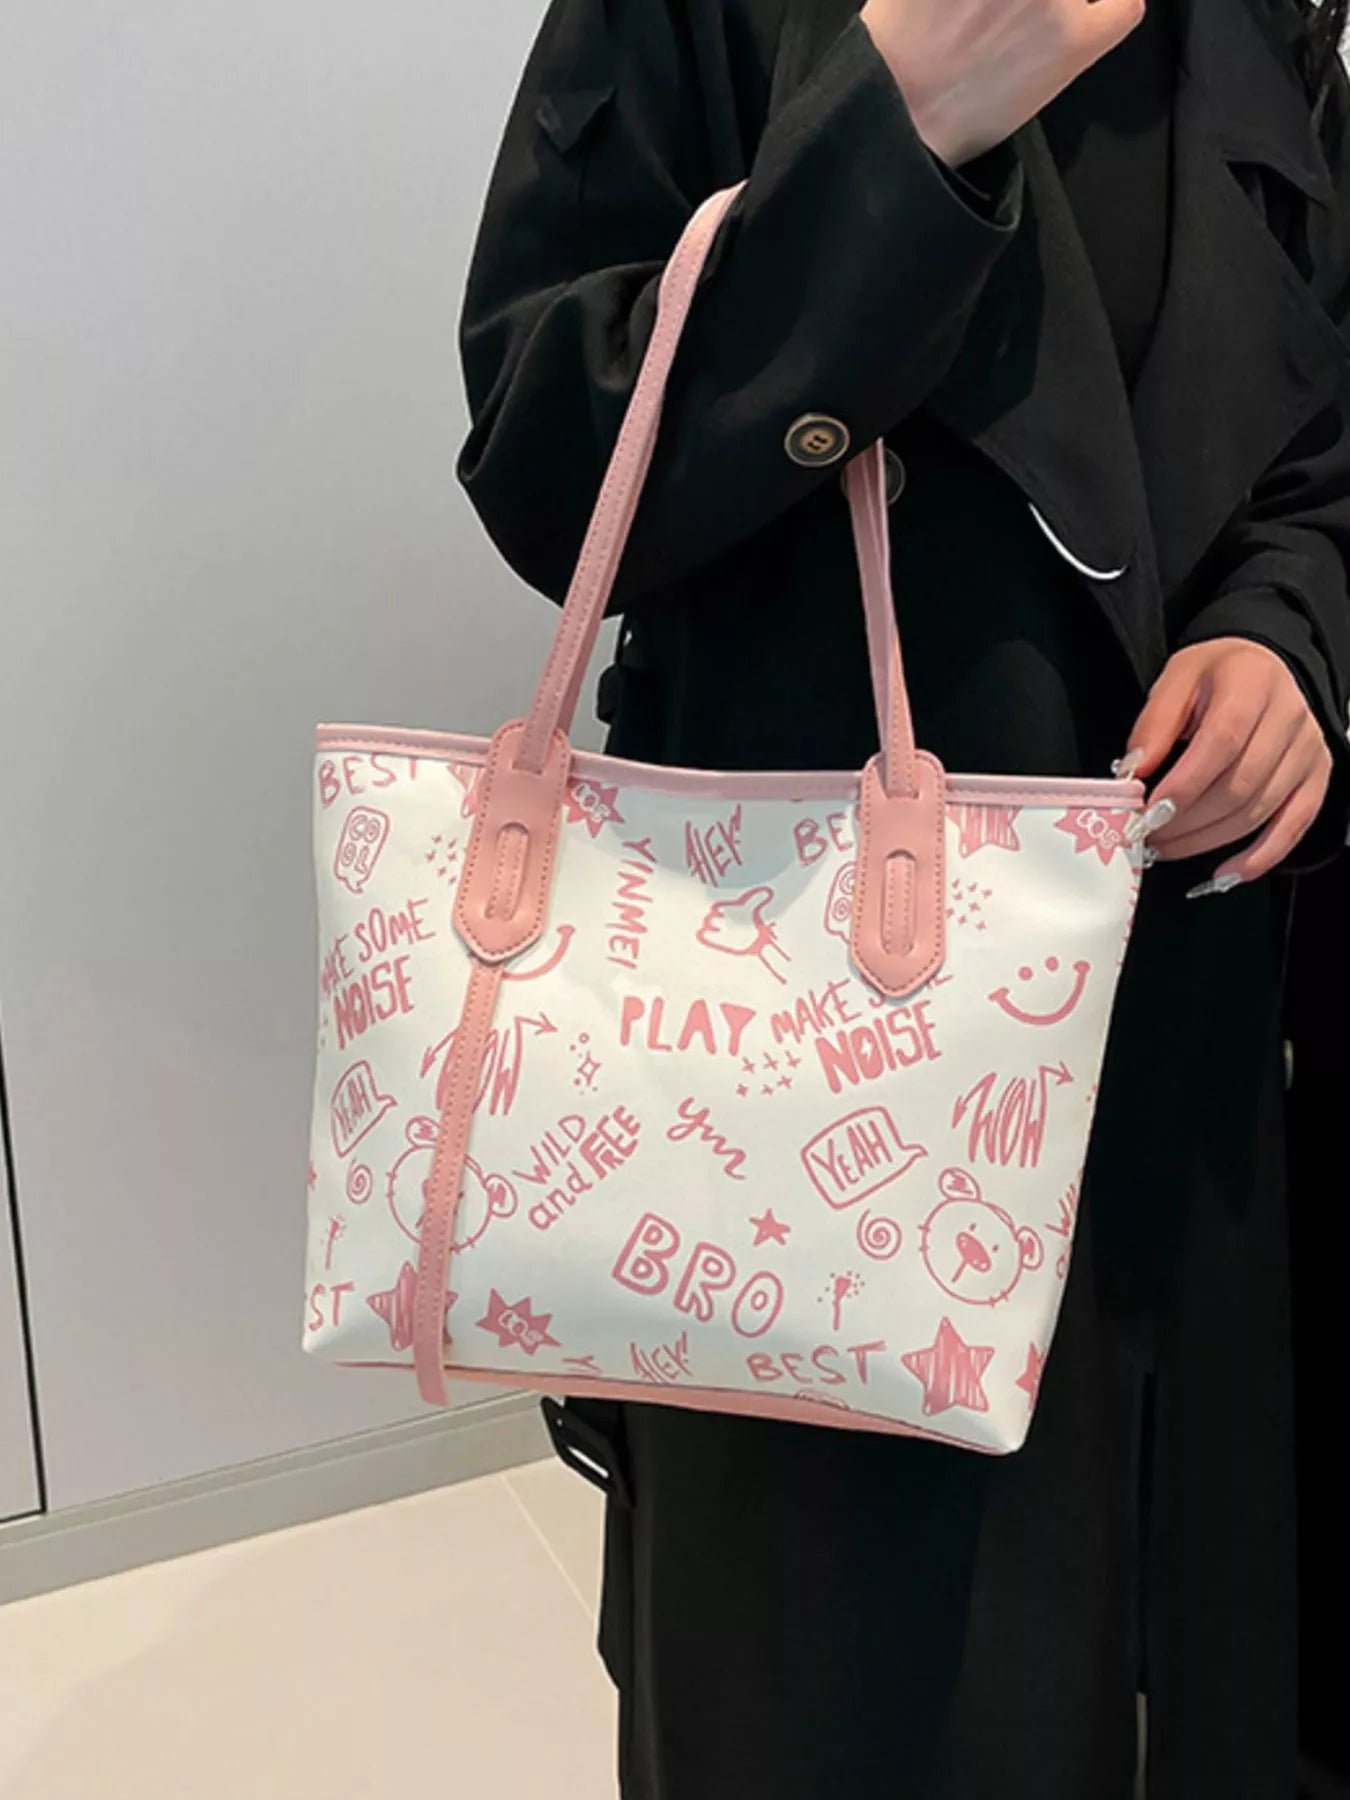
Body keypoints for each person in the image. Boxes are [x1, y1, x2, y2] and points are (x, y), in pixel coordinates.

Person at [456, 1, 1350, 1794]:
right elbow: (552, 464)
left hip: (1175, 1057)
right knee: (840, 1701)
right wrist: (898, 139)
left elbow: (1310, 442)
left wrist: (1286, 637)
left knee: (1182, 1662)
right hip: (813, 1083)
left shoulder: (1260, 19)